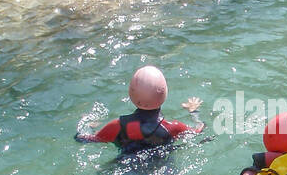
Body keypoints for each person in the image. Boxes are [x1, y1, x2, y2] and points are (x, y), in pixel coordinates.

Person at [75, 66, 204, 154]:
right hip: (163, 173)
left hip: (126, 171)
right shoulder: (173, 128)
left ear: (131, 94)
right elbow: (199, 130)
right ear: (164, 94)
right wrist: (193, 112)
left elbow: (83, 139)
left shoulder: (117, 126)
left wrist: (88, 124)